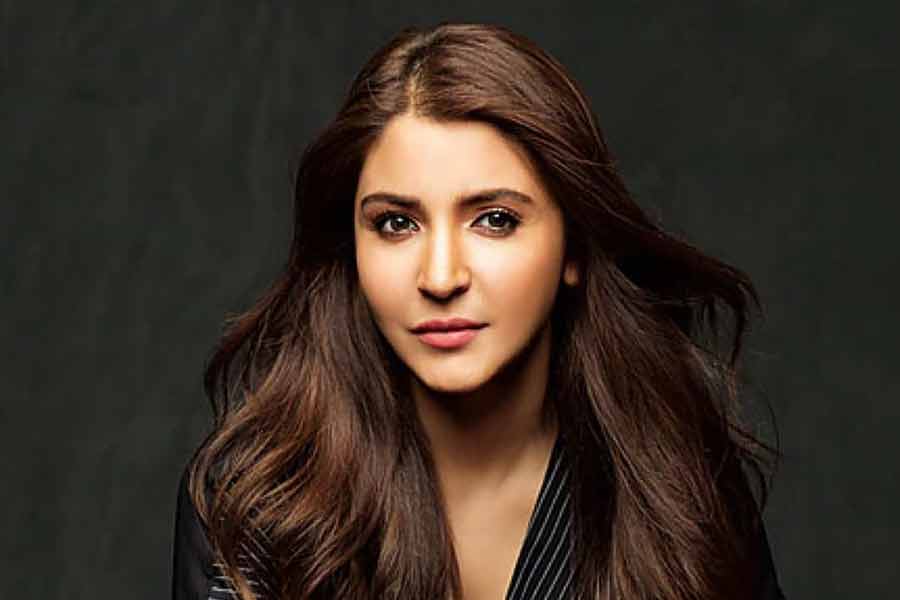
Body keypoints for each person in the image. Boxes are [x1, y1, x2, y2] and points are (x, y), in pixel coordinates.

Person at [171, 22, 786, 600]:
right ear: (351, 249)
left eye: (494, 220)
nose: (441, 277)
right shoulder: (254, 503)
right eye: (396, 224)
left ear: (573, 247)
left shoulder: (681, 490)